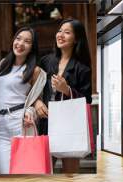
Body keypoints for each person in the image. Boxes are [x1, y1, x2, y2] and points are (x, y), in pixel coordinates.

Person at [34, 18, 92, 173]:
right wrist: (37, 102)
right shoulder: (46, 61)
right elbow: (33, 87)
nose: (60, 35)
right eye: (60, 31)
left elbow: (87, 100)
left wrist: (67, 90)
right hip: (46, 122)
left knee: (70, 175)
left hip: (69, 125)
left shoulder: (82, 68)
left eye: (67, 32)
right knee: (43, 172)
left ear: (76, 39)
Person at [0, 27, 46, 174]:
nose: (21, 43)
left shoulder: (35, 71)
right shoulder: (3, 64)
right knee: (5, 171)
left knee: (23, 171)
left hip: (20, 121)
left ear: (32, 47)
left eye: (27, 41)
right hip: (0, 123)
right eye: (18, 38)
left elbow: (35, 98)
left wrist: (31, 111)